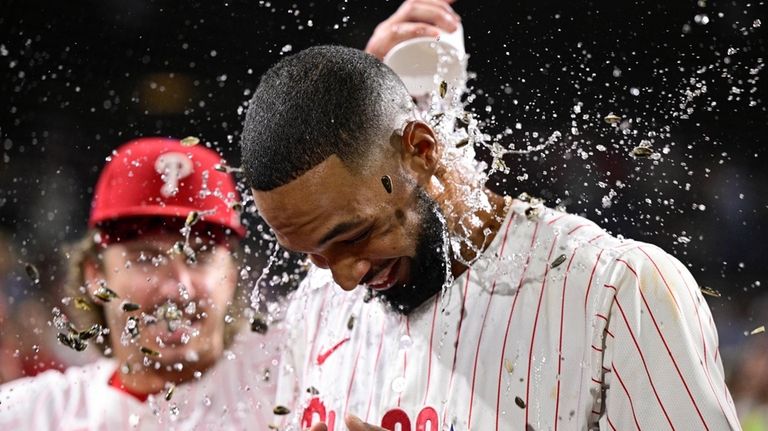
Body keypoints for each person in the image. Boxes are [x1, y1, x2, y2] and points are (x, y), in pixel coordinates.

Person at [240, 24, 743, 431]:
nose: (343, 278)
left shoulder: (617, 292)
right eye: (312, 253)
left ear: (420, 153)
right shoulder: (317, 307)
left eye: (353, 236)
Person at [0, 137, 279, 430]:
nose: (178, 287)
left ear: (232, 275)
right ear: (96, 275)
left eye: (200, 256)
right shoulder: (32, 416)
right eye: (146, 257)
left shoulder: (290, 385)